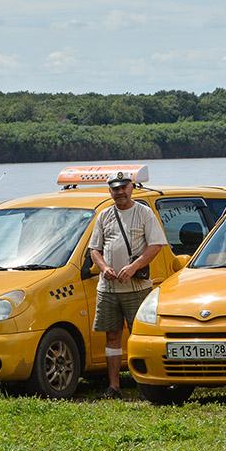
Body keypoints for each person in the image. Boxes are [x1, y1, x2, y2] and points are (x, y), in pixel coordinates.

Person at [88, 171, 167, 399]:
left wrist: (133, 267)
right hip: (109, 289)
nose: (120, 192)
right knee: (112, 336)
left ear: (131, 188)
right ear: (110, 191)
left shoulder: (144, 213)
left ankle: (145, 385)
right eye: (115, 188)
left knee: (139, 335)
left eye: (124, 187)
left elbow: (156, 245)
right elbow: (95, 249)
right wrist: (104, 268)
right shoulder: (103, 216)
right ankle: (114, 387)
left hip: (137, 288)